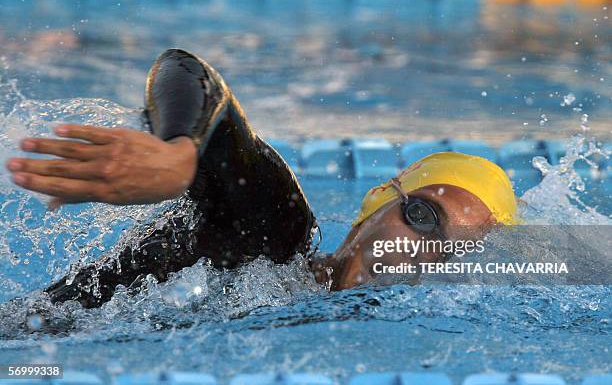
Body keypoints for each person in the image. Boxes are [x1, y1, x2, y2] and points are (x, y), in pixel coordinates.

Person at [5, 49, 518, 308]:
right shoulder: (275, 231)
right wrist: (179, 154)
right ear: (381, 197)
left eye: (454, 252)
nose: (419, 254)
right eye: (424, 217)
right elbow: (187, 71)